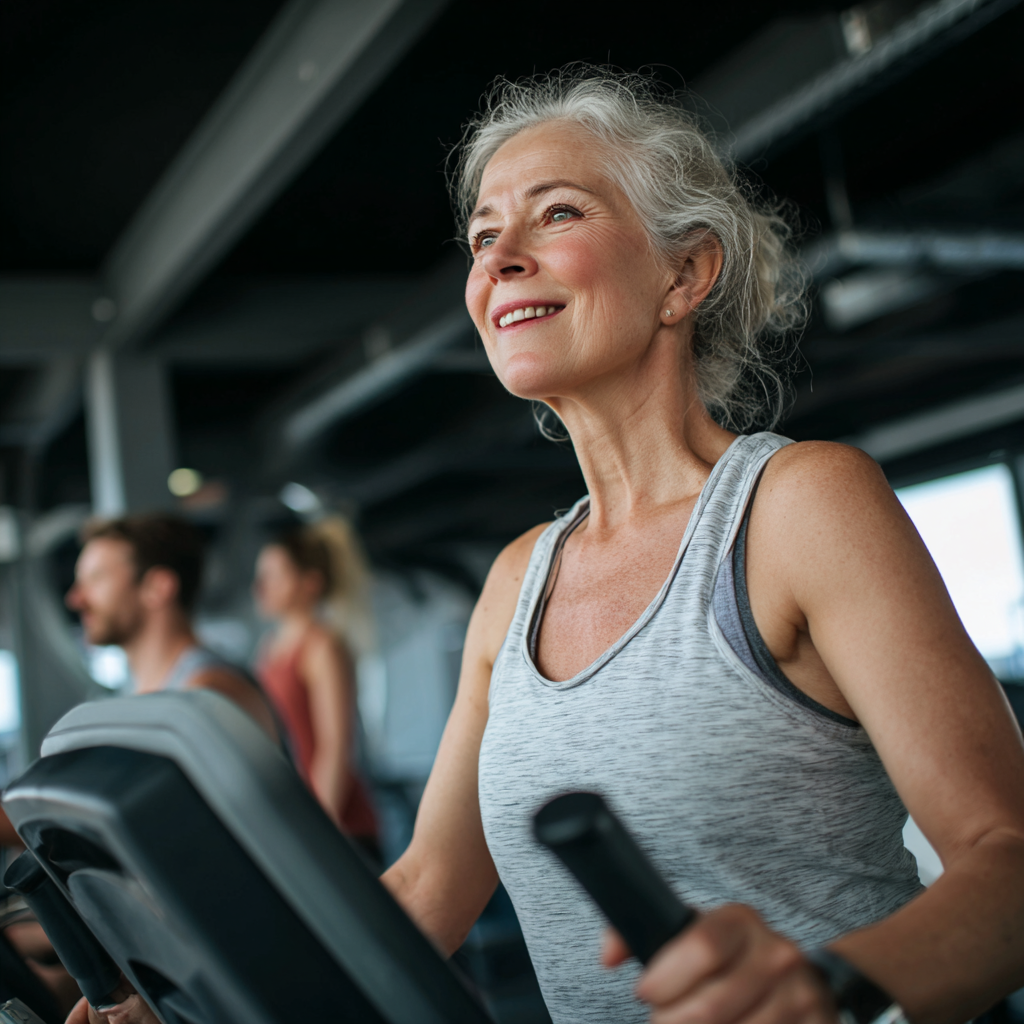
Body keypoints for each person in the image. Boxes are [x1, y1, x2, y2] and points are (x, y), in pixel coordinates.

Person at [68, 68, 1024, 1024]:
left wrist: (828, 986)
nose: (499, 261)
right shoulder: (518, 579)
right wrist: (191, 1001)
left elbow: (1005, 858)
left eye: (556, 214)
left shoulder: (796, 506)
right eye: (484, 237)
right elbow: (428, 888)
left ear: (684, 274)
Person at [65, 514, 277, 737]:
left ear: (157, 587)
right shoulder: (138, 692)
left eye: (96, 579)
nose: (75, 599)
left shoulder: (211, 694)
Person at [252, 518, 378, 845]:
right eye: (261, 576)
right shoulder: (269, 649)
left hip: (339, 826)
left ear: (311, 582)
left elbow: (335, 747)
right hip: (295, 821)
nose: (261, 587)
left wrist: (320, 833)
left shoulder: (322, 647)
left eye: (275, 576)